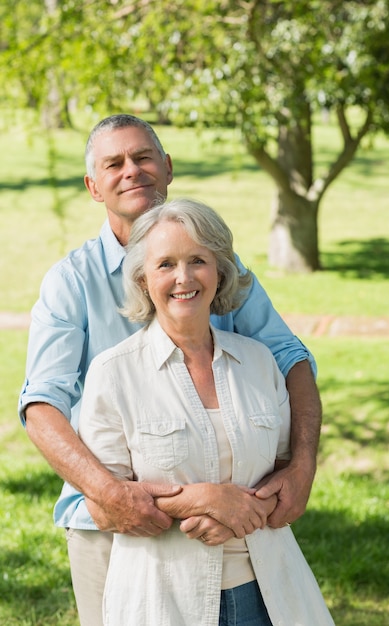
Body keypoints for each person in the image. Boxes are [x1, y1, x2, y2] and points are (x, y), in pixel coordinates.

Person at [18, 114, 322, 626]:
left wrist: (302, 464)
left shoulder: (213, 264)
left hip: (233, 524)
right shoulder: (72, 281)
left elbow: (289, 359)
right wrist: (112, 495)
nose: (132, 171)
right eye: (114, 164)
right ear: (94, 186)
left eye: (143, 157)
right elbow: (42, 404)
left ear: (167, 167)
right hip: (113, 521)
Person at [78, 197, 334, 626]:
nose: (183, 277)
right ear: (143, 279)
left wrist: (237, 517)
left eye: (198, 260)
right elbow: (104, 508)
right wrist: (204, 500)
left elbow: (287, 475)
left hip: (269, 595)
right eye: (165, 264)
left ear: (219, 271)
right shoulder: (113, 373)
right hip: (163, 603)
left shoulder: (258, 363)